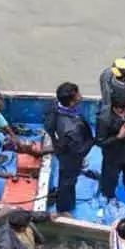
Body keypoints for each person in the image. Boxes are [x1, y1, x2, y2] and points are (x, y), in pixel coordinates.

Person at [0, 102, 51, 181]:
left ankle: (37, 152)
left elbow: (1, 120)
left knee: (21, 146)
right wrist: (0, 174)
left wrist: (14, 137)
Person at [45, 82, 95, 216]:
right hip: (70, 157)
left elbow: (48, 126)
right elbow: (80, 150)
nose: (81, 95)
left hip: (60, 147)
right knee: (68, 181)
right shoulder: (73, 129)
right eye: (78, 94)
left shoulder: (54, 105)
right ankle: (63, 208)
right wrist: (94, 141)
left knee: (66, 172)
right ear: (72, 102)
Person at [96, 90, 125, 202]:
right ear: (119, 108)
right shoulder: (104, 119)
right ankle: (109, 195)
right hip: (114, 155)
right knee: (110, 178)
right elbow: (100, 142)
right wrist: (119, 137)